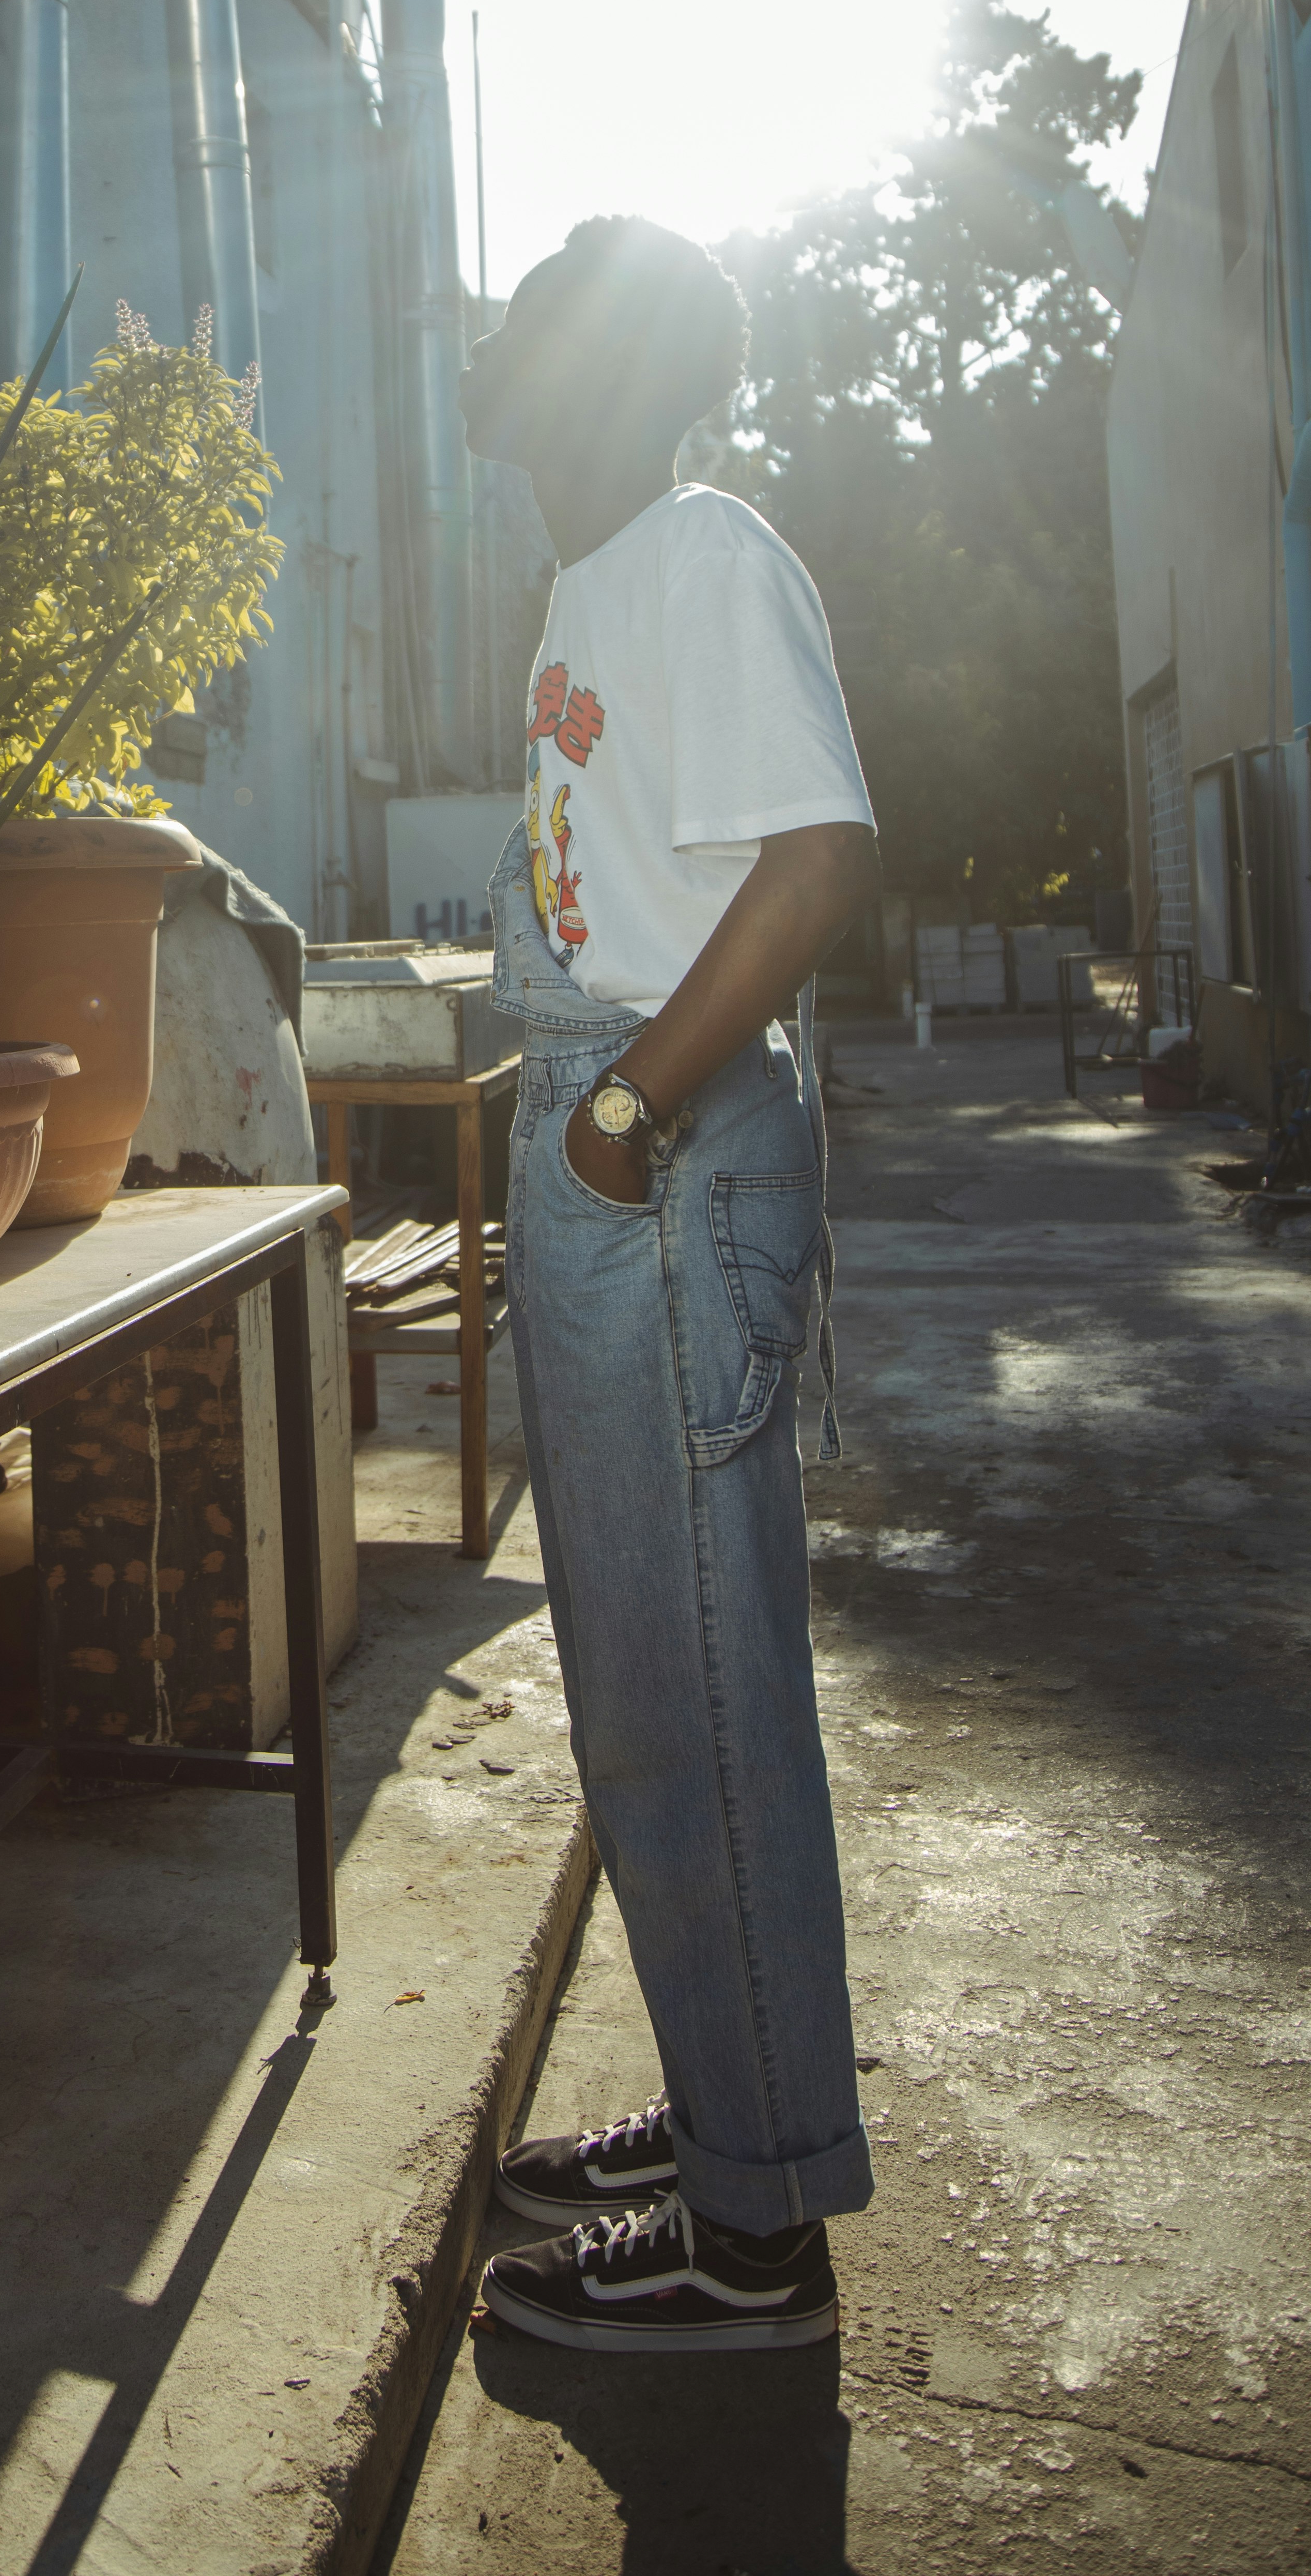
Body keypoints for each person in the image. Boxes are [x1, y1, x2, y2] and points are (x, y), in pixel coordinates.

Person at [460, 214, 880, 2355]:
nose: (497, 353)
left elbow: (816, 863)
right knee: (645, 1681)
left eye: (536, 324)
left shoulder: (706, 553)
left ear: (612, 371)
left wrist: (621, 1113)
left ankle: (758, 2235)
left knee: (699, 1691)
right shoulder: (585, 574)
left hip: (663, 1154)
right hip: (608, 1133)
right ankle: (733, 2115)